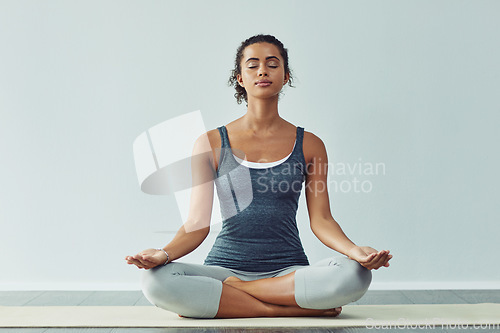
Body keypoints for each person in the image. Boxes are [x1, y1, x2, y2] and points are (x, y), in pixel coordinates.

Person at [125, 34, 392, 319]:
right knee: (154, 280)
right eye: (252, 65)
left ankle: (236, 296)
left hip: (288, 271)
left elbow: (322, 220)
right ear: (239, 78)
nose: (262, 70)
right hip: (224, 269)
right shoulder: (212, 143)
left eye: (272, 64)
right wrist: (163, 254)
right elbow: (196, 224)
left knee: (355, 275)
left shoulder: (310, 144)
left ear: (286, 76)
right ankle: (288, 310)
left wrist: (356, 252)